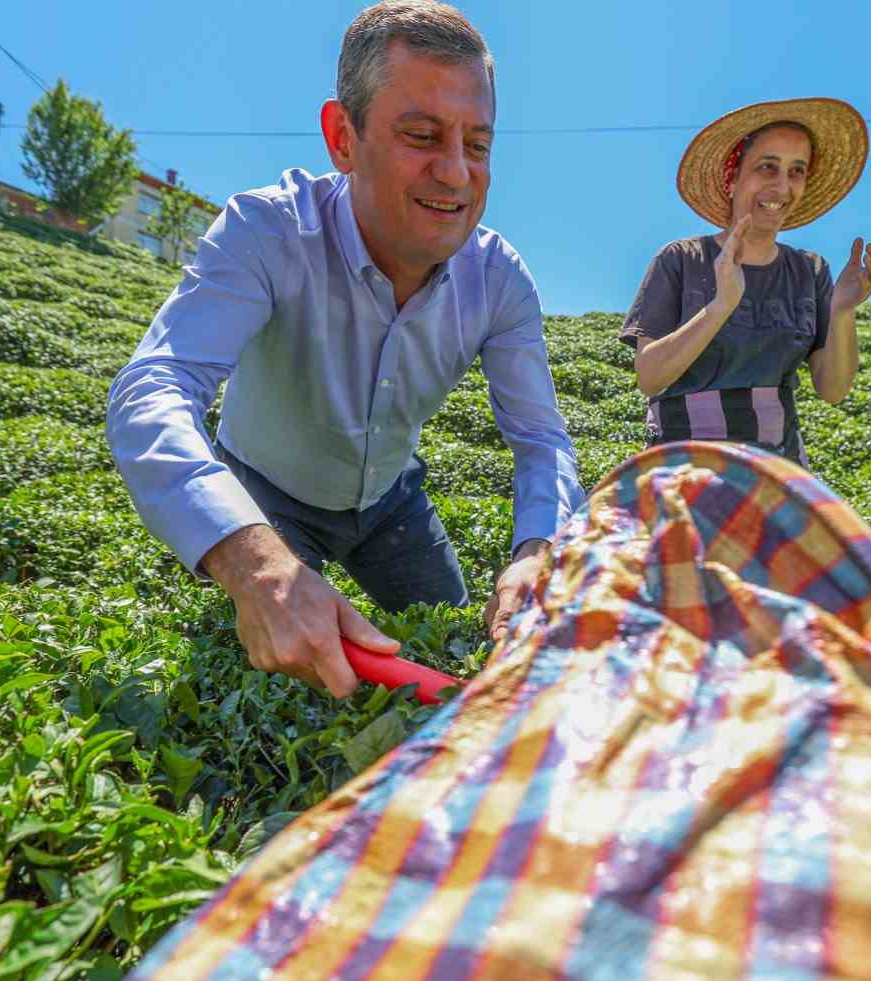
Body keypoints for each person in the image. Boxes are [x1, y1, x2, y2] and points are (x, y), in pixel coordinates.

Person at [106, 0, 582, 699]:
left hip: (393, 503)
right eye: (422, 135)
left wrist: (536, 550)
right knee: (291, 684)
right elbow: (153, 388)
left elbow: (541, 437)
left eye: (476, 145)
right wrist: (252, 560)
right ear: (342, 137)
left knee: (451, 646)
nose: (455, 173)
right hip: (265, 496)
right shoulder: (266, 230)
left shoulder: (500, 279)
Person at [619, 98, 871, 464]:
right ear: (733, 179)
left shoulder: (809, 271)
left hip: (779, 466)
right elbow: (650, 377)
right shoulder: (681, 260)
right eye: (767, 167)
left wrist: (842, 312)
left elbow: (833, 390)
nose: (782, 186)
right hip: (682, 465)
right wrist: (720, 307)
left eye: (797, 170)